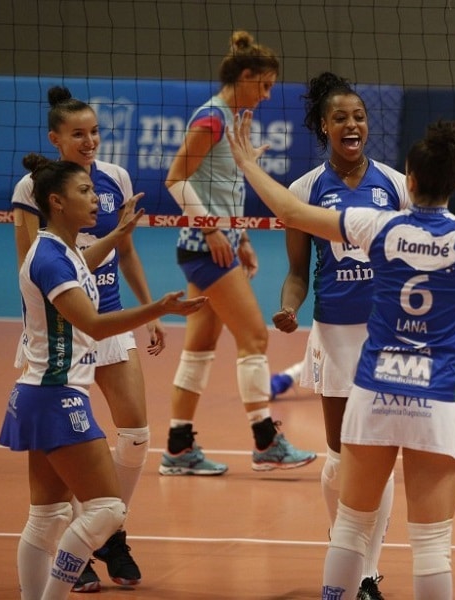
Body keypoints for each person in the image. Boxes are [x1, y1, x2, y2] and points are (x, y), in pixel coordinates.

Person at [228, 79, 455, 600]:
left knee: (350, 525)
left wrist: (247, 163)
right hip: (434, 392)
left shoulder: (376, 227)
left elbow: (292, 212)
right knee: (432, 544)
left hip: (375, 388)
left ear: (408, 182)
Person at [1, 154, 206, 600]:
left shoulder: (60, 249)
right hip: (56, 396)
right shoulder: (51, 260)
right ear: (56, 202)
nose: (96, 198)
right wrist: (159, 309)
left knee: (47, 518)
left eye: (94, 190)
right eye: (84, 192)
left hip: (38, 393)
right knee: (108, 510)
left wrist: (118, 234)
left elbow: (81, 261)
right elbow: (94, 325)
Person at [11, 86, 163, 591]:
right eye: (78, 133)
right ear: (55, 139)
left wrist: (147, 308)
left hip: (105, 316)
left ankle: (107, 535)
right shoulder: (34, 190)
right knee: (64, 500)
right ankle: (89, 538)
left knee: (135, 435)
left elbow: (116, 253)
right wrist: (161, 307)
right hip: (62, 334)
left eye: (95, 131)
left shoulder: (114, 179)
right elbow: (38, 267)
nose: (90, 141)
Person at [270, 71, 411, 598]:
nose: (352, 125)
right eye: (341, 118)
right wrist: (288, 308)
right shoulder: (303, 192)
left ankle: (367, 573)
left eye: (359, 117)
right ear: (324, 127)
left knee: (379, 454)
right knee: (338, 455)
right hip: (333, 335)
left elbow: (421, 255)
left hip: (386, 334)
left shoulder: (395, 185)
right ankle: (344, 544)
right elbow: (297, 274)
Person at [161, 30, 315, 476]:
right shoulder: (211, 120)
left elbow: (225, 188)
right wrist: (211, 229)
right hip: (205, 249)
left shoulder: (230, 119)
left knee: (199, 350)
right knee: (255, 338)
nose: (266, 96)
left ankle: (177, 449)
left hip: (215, 245)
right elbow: (175, 179)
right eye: (263, 85)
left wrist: (241, 236)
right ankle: (266, 443)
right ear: (245, 76)